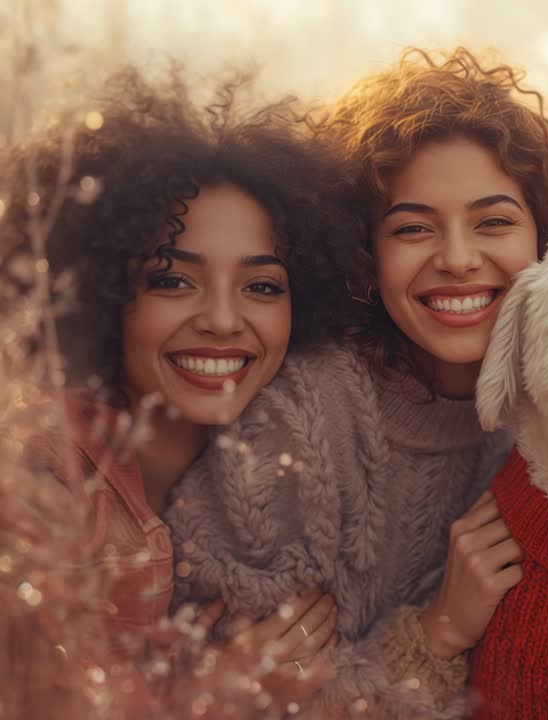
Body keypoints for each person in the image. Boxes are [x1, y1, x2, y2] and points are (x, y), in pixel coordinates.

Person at [164, 47, 548, 717]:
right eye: (413, 228)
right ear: (365, 252)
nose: (457, 258)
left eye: (493, 222)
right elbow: (250, 703)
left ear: (546, 239)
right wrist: (436, 634)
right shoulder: (299, 422)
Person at [1, 66, 359, 716]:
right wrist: (217, 690)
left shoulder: (306, 461)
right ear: (107, 290)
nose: (222, 320)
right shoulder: (36, 479)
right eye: (172, 281)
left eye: (262, 286)